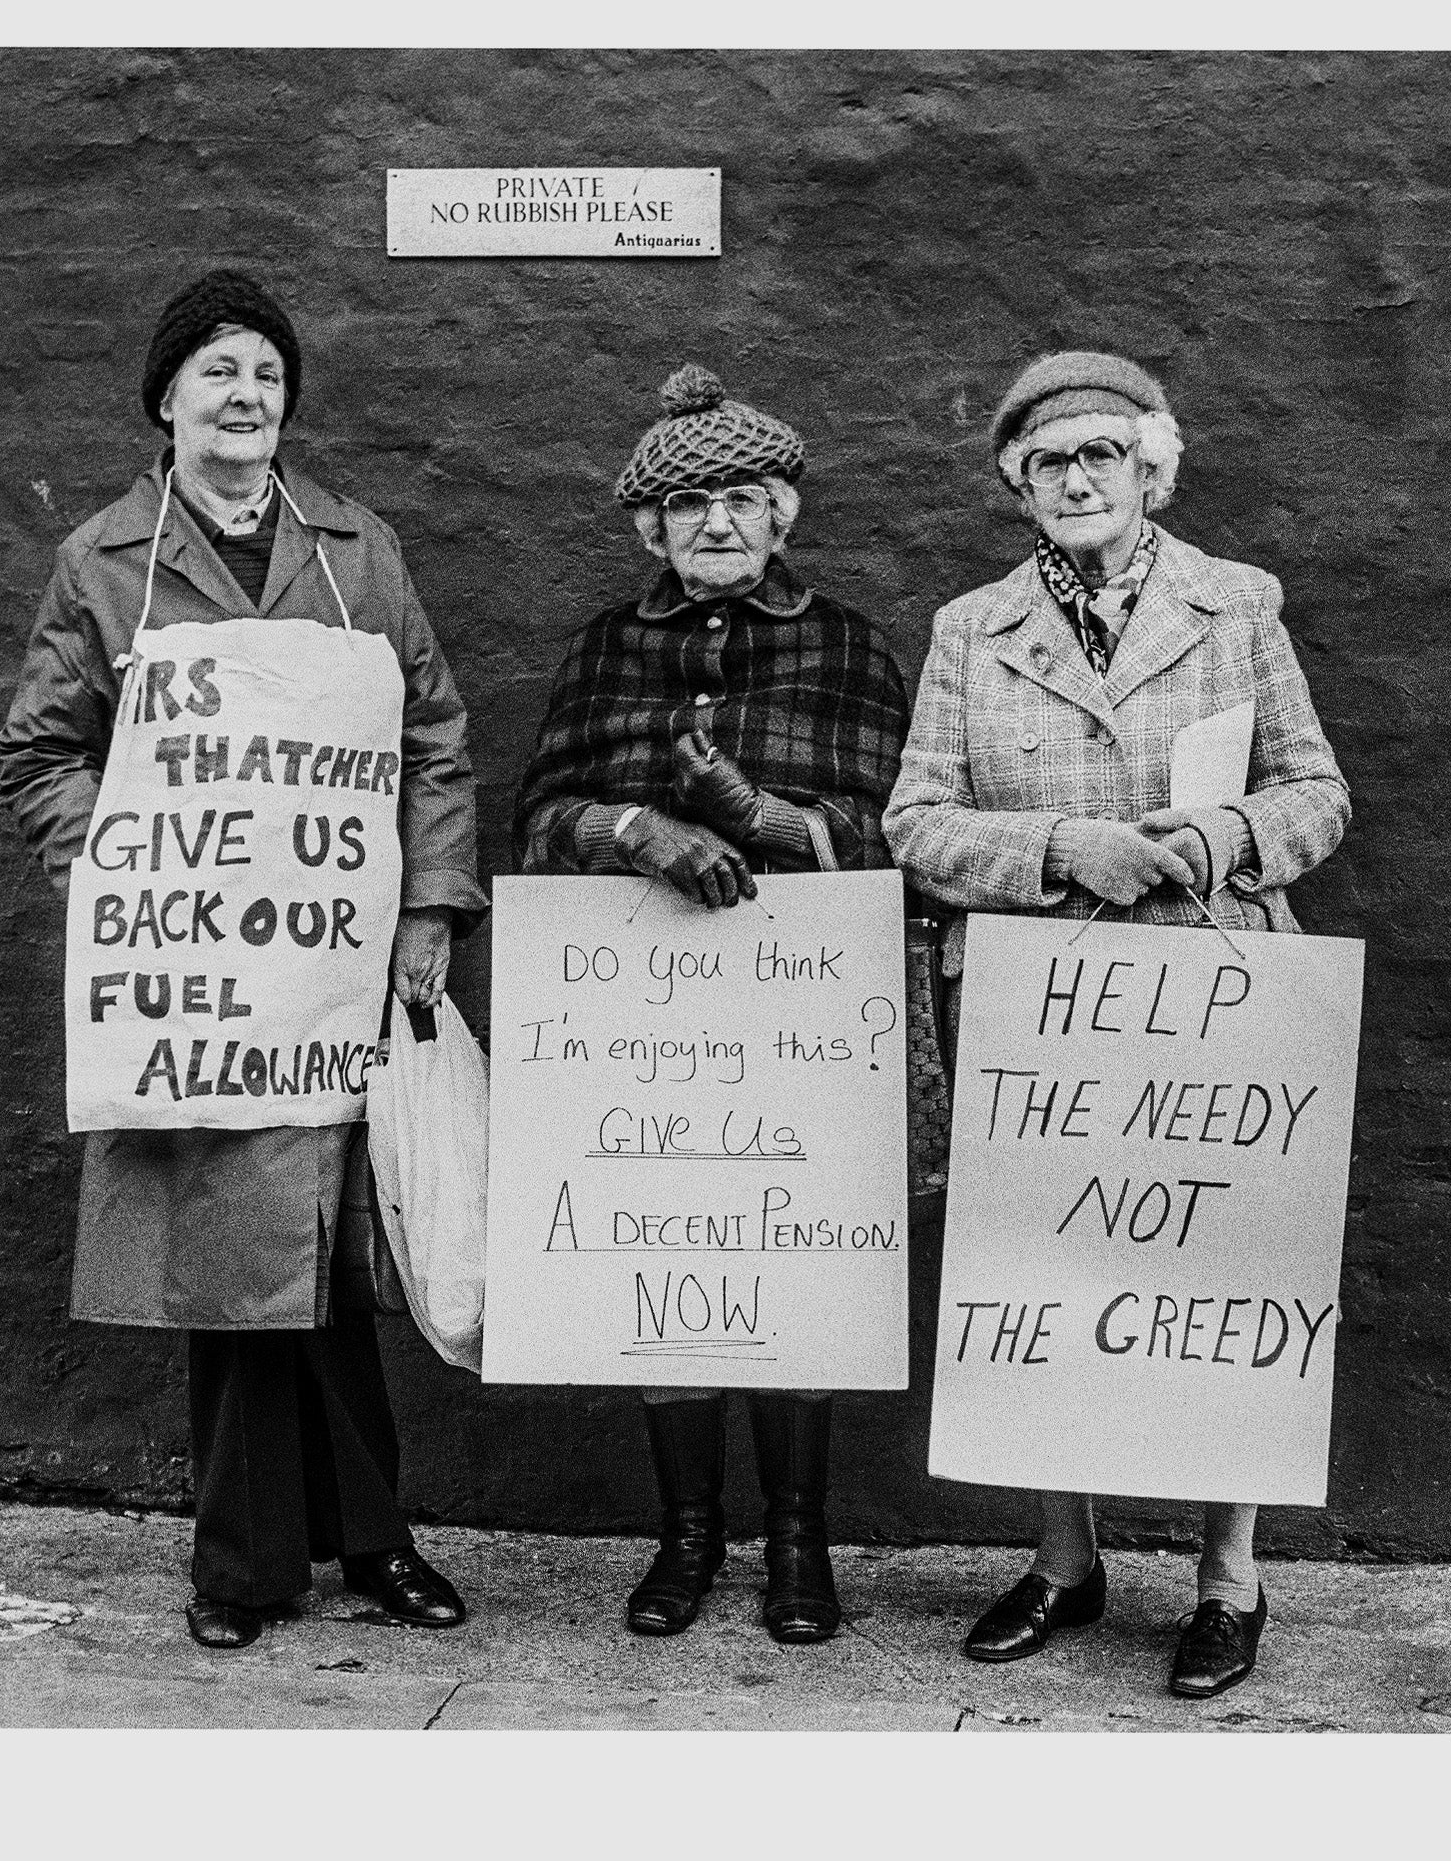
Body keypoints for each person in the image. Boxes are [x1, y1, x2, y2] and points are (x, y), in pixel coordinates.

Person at [0, 269, 488, 1651]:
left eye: (266, 375)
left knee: (330, 1275)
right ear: (166, 400)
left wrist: (431, 909)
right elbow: (38, 749)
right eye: (217, 372)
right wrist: (122, 860)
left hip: (332, 967)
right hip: (206, 981)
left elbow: (430, 732)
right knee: (230, 1280)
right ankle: (243, 1565)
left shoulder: (355, 546)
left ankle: (376, 1543)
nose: (246, 397)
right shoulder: (106, 559)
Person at [884, 347, 1352, 1699]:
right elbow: (914, 827)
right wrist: (1064, 849)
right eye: (1048, 464)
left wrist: (1219, 838)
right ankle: (1062, 1561)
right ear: (1015, 488)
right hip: (1047, 1012)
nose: (1076, 481)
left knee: (1216, 1284)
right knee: (1043, 1282)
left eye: (1102, 457)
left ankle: (1227, 1580)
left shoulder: (1236, 607)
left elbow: (1318, 795)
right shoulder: (972, 630)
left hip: (1214, 999)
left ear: (1152, 468)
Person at [514, 365, 913, 1643]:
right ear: (650, 529)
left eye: (743, 499)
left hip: (797, 1016)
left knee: (788, 1273)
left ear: (783, 513)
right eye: (689, 506)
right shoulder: (604, 648)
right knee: (669, 1267)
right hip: (643, 1029)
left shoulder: (847, 645)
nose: (718, 524)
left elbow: (897, 830)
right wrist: (633, 825)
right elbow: (538, 822)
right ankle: (687, 1537)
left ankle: (800, 1544)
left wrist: (763, 819)